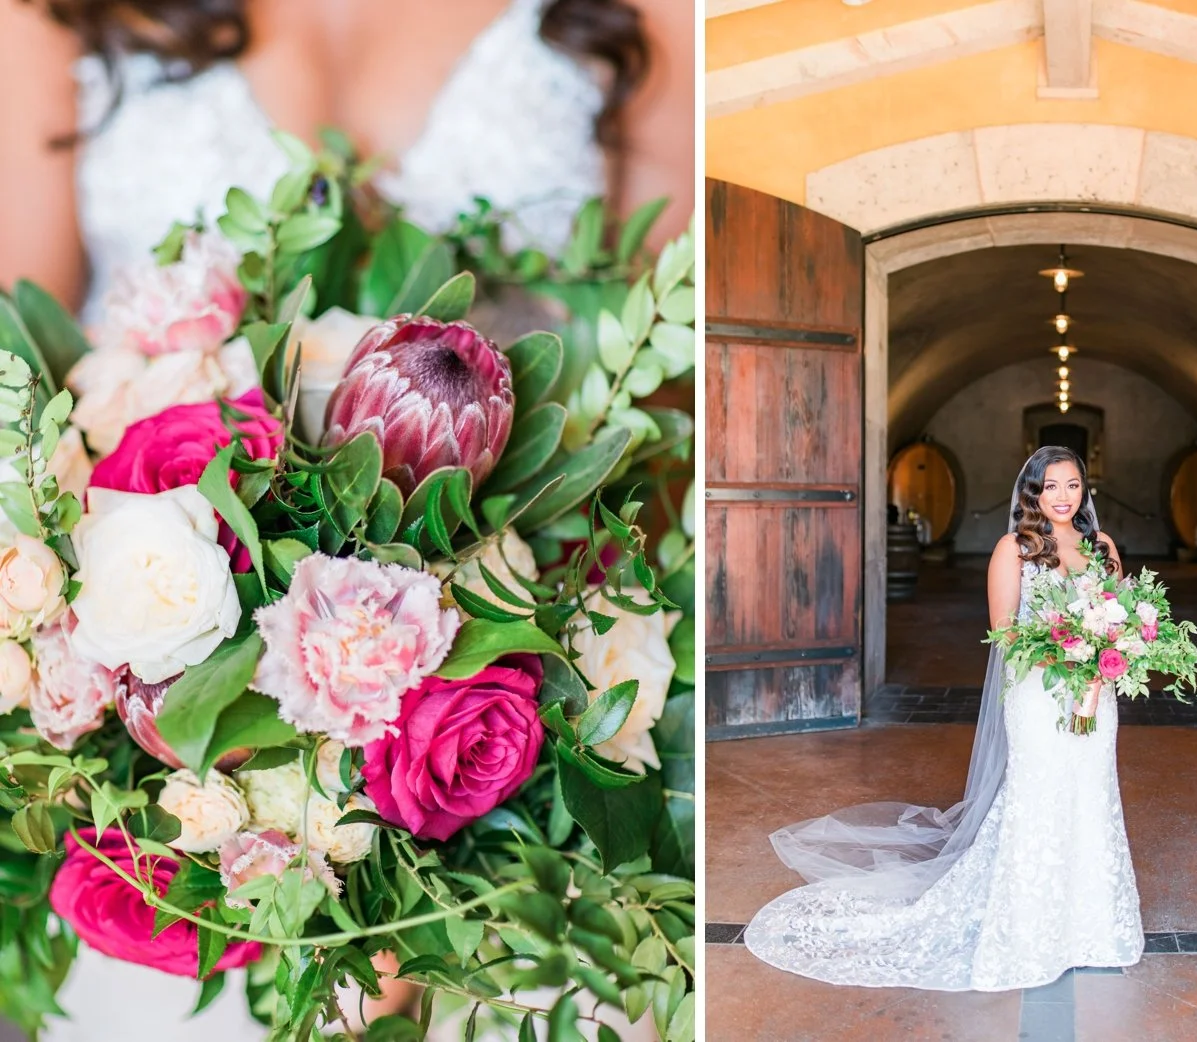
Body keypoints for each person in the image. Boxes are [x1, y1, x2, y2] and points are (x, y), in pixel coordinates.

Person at [0, 3, 691, 1038]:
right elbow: (17, 396)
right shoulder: (51, 16)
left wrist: (458, 822)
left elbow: (663, 430)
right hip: (163, 813)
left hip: (509, 796)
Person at [0, 0, 693, 316]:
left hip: (524, 591)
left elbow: (669, 385)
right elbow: (18, 370)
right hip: (140, 580)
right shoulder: (52, 15)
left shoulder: (649, 17)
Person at [744, 445, 1145, 990]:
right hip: (1037, 693)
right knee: (1042, 795)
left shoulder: (1102, 548)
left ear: (1084, 490)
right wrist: (1067, 655)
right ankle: (1030, 933)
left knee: (1092, 793)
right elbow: (1005, 632)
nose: (1062, 496)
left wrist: (1106, 656)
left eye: (1072, 485)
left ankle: (1093, 929)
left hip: (1096, 696)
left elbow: (1119, 615)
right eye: (1050, 486)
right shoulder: (1015, 549)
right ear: (1033, 492)